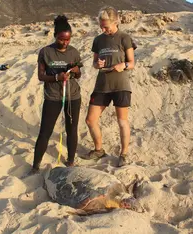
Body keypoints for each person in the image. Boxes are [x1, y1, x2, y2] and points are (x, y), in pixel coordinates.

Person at [31, 15, 82, 173]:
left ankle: (71, 161)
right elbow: (41, 76)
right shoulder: (45, 52)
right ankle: (35, 166)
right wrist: (56, 77)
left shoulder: (74, 52)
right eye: (61, 39)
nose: (65, 43)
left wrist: (74, 71)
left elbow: (79, 74)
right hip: (52, 97)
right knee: (45, 131)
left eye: (68, 39)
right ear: (55, 36)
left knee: (72, 129)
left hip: (72, 96)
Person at [85, 6, 135, 167]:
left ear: (116, 22)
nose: (103, 29)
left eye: (106, 26)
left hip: (121, 84)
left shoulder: (124, 38)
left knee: (122, 121)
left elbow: (132, 63)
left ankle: (124, 154)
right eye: (101, 25)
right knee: (90, 119)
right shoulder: (98, 40)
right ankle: (99, 150)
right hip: (102, 84)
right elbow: (94, 63)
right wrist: (97, 63)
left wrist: (124, 65)